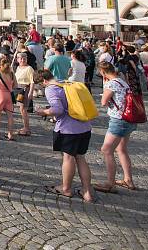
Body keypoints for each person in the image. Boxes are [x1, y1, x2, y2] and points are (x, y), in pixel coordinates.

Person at [36, 69, 97, 203]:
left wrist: (43, 111)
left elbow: (57, 109)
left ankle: (66, 189)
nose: (43, 87)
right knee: (81, 157)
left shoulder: (51, 89)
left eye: (41, 85)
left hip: (68, 129)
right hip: (84, 126)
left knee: (68, 158)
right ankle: (87, 191)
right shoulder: (66, 83)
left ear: (44, 81)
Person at [93, 62, 137, 193]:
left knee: (106, 150)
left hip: (118, 120)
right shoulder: (122, 81)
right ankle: (128, 179)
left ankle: (110, 183)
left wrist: (105, 87)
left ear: (103, 72)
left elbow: (103, 102)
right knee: (121, 149)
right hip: (129, 118)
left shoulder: (111, 84)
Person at [0, 56, 15, 141]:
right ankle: (10, 134)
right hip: (9, 94)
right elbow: (15, 85)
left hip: (0, 94)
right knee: (10, 115)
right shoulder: (11, 73)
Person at [14, 52, 35, 136]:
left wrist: (30, 92)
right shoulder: (18, 68)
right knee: (21, 109)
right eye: (21, 58)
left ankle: (27, 128)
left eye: (24, 58)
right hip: (18, 90)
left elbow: (32, 82)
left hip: (25, 89)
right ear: (18, 59)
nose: (22, 60)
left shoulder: (29, 68)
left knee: (24, 109)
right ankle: (25, 127)